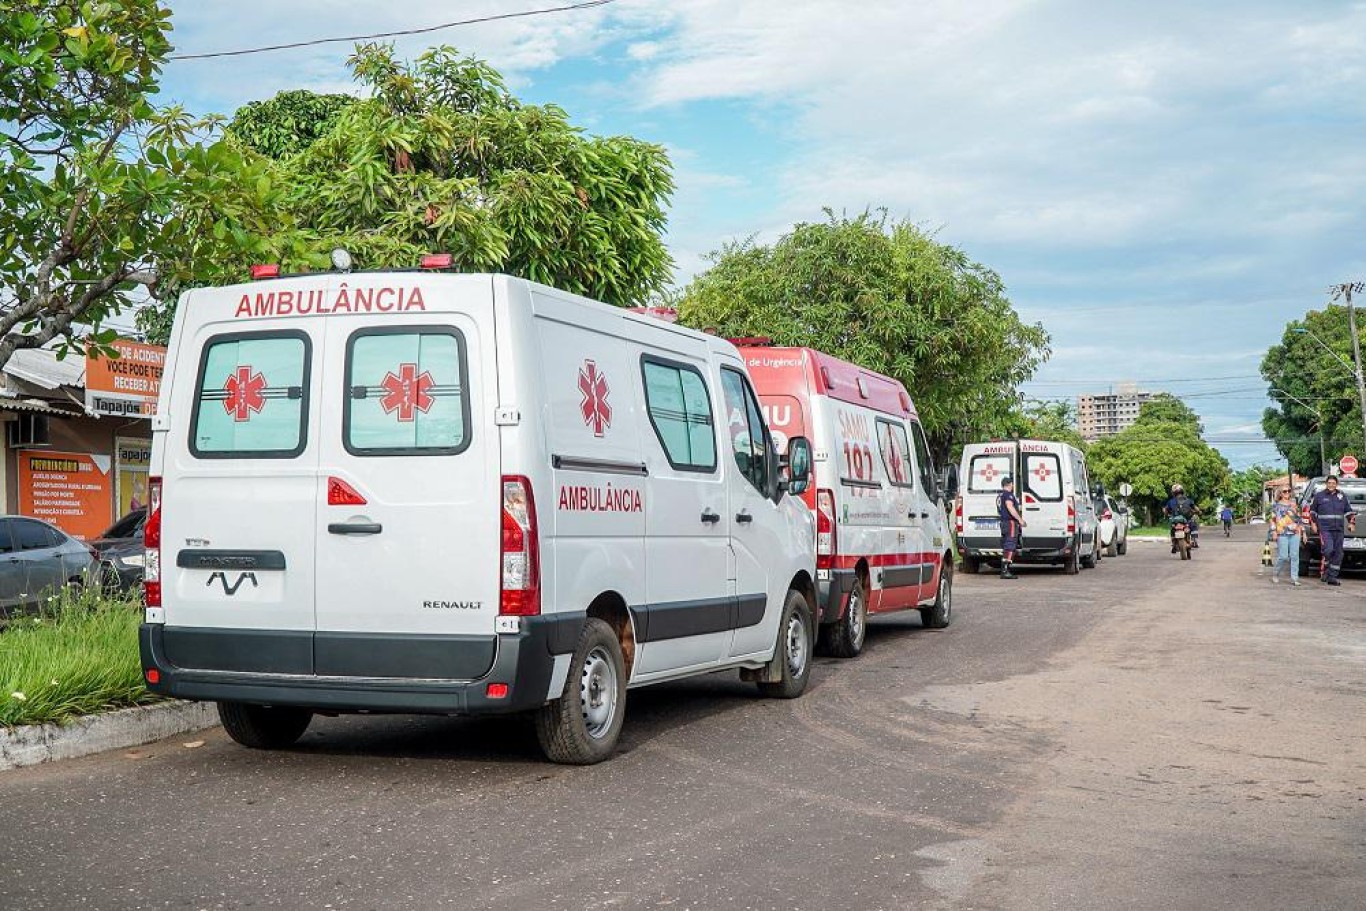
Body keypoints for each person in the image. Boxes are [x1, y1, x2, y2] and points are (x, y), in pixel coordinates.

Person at [1309, 475, 1355, 586]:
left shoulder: (1341, 496)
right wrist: (1313, 524)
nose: (1331, 485)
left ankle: (1332, 577)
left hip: (1338, 529)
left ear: (1336, 484)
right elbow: (1312, 512)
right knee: (1328, 550)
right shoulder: (1319, 496)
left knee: (1338, 553)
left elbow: (1349, 511)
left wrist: (1351, 523)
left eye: (1333, 483)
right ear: (1326, 484)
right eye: (1329, 483)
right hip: (1325, 529)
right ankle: (1326, 568)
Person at [1269, 488, 1302, 585]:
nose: (1287, 493)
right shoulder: (1276, 506)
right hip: (1282, 533)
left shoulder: (1294, 505)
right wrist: (1274, 531)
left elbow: (1299, 519)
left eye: (1288, 491)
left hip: (1295, 533)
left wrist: (1302, 532)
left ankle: (1295, 578)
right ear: (1280, 493)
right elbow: (1272, 520)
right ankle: (1275, 574)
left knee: (1295, 556)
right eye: (1284, 491)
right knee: (1283, 556)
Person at [997, 475, 1026, 579]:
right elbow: (1010, 508)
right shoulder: (1008, 495)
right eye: (1012, 484)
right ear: (1009, 484)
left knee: (1006, 545)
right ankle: (1005, 570)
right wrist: (1020, 519)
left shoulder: (1000, 496)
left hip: (1003, 522)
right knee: (1010, 545)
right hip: (1010, 523)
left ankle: (1005, 568)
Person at [1164, 484, 1199, 553]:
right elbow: (1196, 509)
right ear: (1182, 491)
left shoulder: (1171, 501)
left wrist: (1166, 514)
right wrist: (1198, 512)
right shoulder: (1189, 500)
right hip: (1187, 520)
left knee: (1172, 529)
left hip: (1176, 521)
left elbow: (1166, 510)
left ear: (1173, 493)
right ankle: (1194, 540)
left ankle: (1174, 543)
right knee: (1193, 525)